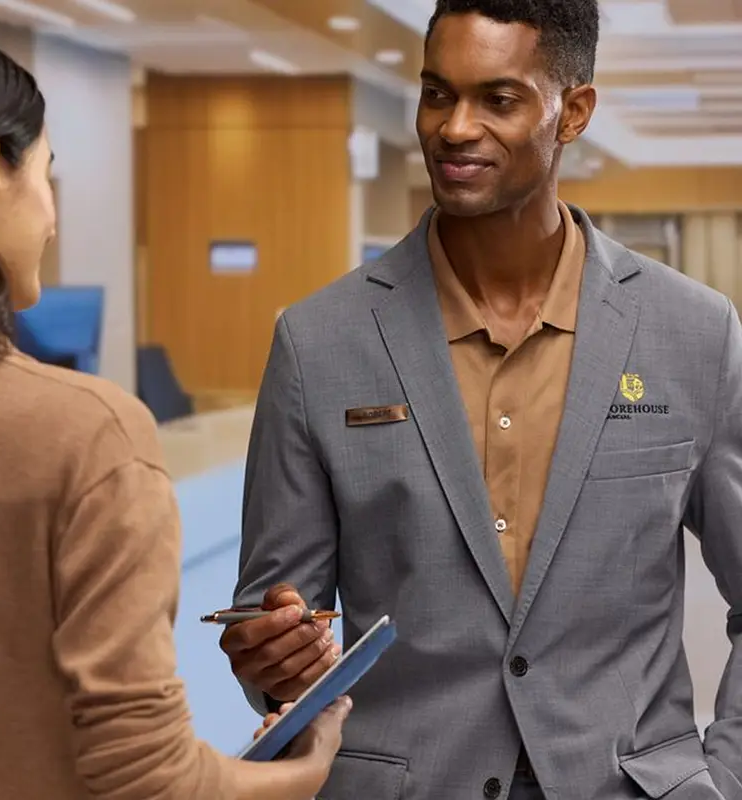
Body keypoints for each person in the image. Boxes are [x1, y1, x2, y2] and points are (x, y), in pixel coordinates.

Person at [221, 1, 742, 798]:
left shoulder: (693, 334)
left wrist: (724, 776)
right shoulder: (317, 342)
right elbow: (276, 631)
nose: (454, 128)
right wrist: (272, 663)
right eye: (437, 94)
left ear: (573, 112)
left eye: (498, 99)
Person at [0, 19, 351, 800]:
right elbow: (146, 781)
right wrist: (309, 769)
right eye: (47, 177)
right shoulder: (85, 437)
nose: (54, 216)